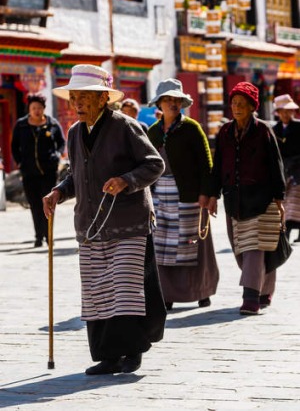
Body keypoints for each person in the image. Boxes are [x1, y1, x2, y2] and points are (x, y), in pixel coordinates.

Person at [42, 64, 166, 375]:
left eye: (85, 97)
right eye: (75, 98)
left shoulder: (125, 126)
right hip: (91, 225)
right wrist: (58, 191)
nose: (78, 103)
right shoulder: (73, 133)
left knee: (125, 290)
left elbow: (154, 164)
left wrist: (127, 180)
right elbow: (76, 174)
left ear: (102, 98)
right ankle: (108, 356)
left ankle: (133, 351)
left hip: (128, 221)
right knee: (98, 292)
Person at [206, 82, 285, 315]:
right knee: (242, 249)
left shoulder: (263, 131)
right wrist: (213, 194)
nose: (237, 107)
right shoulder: (225, 132)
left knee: (256, 247)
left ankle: (250, 297)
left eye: (242, 104)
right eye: (234, 103)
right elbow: (218, 165)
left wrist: (280, 198)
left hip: (262, 198)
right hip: (234, 200)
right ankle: (263, 290)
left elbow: (275, 164)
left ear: (252, 107)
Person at [147, 78, 219, 311]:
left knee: (192, 243)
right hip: (160, 196)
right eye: (167, 99)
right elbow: (145, 165)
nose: (172, 103)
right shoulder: (153, 133)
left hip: (189, 196)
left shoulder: (191, 128)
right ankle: (167, 293)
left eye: (176, 99)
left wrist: (206, 193)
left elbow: (206, 163)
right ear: (159, 103)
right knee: (164, 247)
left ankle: (201, 291)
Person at [11, 94, 65, 247]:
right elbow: (14, 146)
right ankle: (38, 236)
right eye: (33, 108)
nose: (36, 110)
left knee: (49, 204)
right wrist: (20, 162)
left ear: (44, 109)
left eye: (39, 108)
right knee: (34, 205)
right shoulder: (21, 125)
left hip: (49, 172)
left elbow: (61, 143)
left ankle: (49, 236)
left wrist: (57, 156)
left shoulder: (52, 124)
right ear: (29, 109)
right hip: (29, 173)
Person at [272, 94, 300, 242]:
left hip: (298, 171)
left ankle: (288, 232)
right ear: (277, 112)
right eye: (282, 111)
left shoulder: (298, 127)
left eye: (289, 111)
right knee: (285, 201)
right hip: (282, 171)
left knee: (294, 202)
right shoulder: (274, 130)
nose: (286, 114)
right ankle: (285, 231)